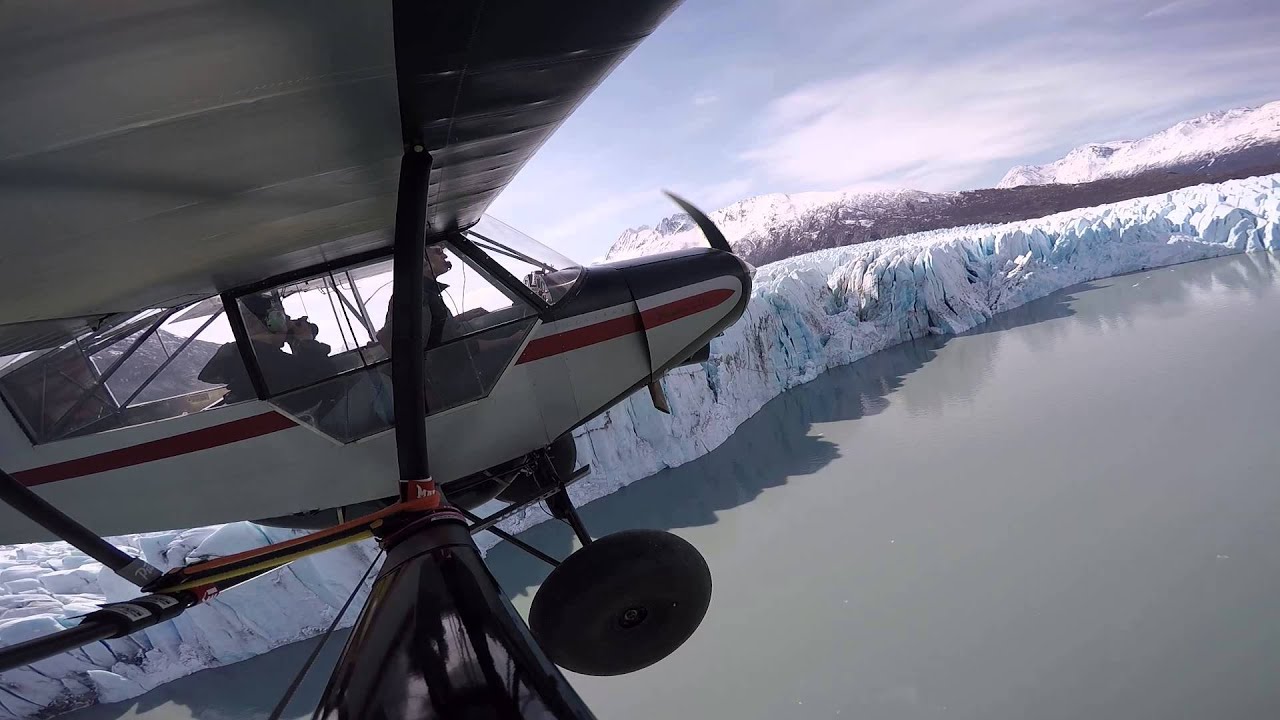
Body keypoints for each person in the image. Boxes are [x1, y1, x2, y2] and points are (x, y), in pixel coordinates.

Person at [199, 293, 338, 403]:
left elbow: (207, 375)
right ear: (274, 322)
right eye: (283, 316)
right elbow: (331, 386)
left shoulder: (238, 353)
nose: (288, 319)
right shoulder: (275, 362)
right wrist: (306, 340)